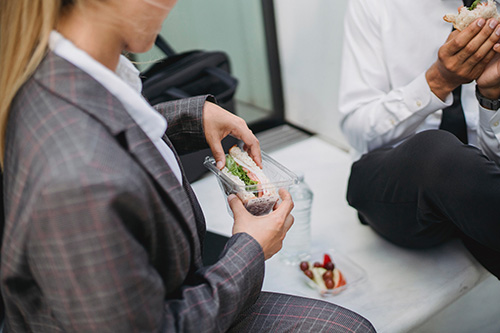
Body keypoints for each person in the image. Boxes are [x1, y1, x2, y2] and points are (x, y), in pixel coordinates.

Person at [0, 0, 377, 332]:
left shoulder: (63, 74)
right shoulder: (79, 178)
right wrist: (249, 250)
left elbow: (117, 128)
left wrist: (192, 118)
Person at [339, 0, 500, 279]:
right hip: (400, 192)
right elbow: (357, 128)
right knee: (437, 152)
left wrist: (491, 98)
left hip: (478, 196)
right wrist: (437, 81)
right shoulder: (376, 6)